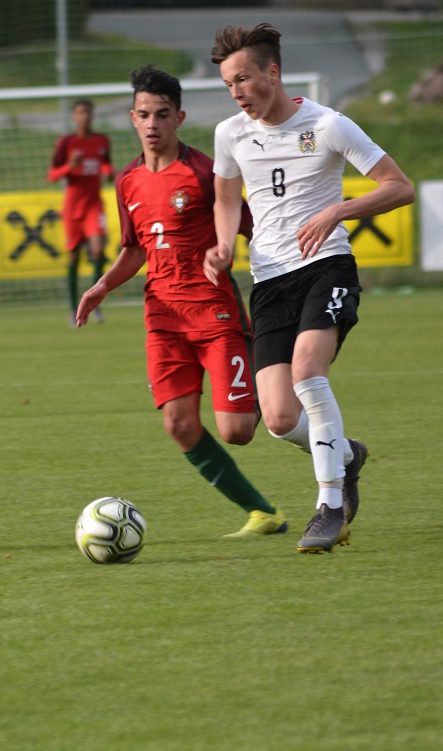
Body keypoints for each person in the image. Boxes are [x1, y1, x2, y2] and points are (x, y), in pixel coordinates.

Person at [204, 23, 415, 553]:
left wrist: (339, 209)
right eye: (229, 83)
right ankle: (345, 454)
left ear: (273, 73)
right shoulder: (230, 133)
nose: (237, 92)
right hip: (270, 281)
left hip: (327, 268)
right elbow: (227, 199)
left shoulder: (328, 125)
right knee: (276, 418)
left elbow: (400, 187)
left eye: (244, 79)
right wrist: (224, 245)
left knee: (307, 371)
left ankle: (329, 504)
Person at [76, 64, 287, 540]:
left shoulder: (204, 173)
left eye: (162, 115)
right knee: (178, 423)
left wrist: (225, 249)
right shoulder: (127, 180)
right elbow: (134, 249)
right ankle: (262, 511)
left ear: (180, 118)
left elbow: (253, 224)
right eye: (144, 115)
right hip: (162, 318)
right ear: (132, 118)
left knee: (238, 430)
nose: (153, 124)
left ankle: (274, 374)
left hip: (214, 312)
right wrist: (103, 286)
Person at [48, 99, 114, 326]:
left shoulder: (101, 141)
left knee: (97, 251)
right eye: (80, 113)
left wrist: (108, 172)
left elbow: (105, 164)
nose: (85, 117)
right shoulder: (66, 142)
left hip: (94, 206)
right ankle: (72, 307)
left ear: (92, 116)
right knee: (74, 255)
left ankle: (94, 305)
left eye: (88, 113)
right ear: (74, 117)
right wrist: (70, 166)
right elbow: (53, 176)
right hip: (72, 208)